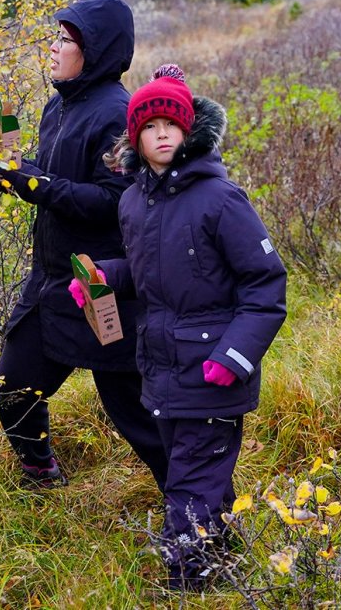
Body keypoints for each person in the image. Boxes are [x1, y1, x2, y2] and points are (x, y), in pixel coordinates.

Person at [76, 64, 288, 589]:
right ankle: (225, 562)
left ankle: (186, 585)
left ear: (189, 129)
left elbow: (266, 284)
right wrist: (104, 278)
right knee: (195, 474)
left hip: (213, 371)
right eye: (149, 126)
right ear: (134, 138)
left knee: (189, 485)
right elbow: (148, 273)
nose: (162, 134)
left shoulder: (221, 199)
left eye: (171, 123)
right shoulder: (133, 202)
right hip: (162, 368)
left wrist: (234, 357)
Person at [0, 0, 168, 491]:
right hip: (50, 282)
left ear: (96, 50)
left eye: (65, 40)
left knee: (136, 414)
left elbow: (113, 201)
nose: (53, 47)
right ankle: (41, 475)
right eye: (56, 37)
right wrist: (14, 176)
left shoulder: (118, 115)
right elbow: (54, 182)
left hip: (101, 284)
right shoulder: (58, 105)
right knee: (14, 388)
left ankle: (199, 510)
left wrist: (36, 185)